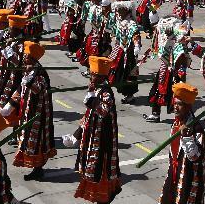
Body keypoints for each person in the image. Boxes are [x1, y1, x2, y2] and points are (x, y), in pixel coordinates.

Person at [64, 56, 122, 204]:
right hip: (93, 137)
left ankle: (104, 198)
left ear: (101, 76)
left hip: (102, 140)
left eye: (93, 75)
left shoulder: (106, 93)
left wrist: (90, 97)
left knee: (101, 169)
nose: (91, 77)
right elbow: (88, 116)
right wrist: (76, 135)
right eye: (91, 74)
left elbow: (102, 112)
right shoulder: (97, 90)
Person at [9, 41, 56, 181]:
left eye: (27, 57)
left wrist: (29, 80)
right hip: (28, 110)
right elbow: (21, 89)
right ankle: (37, 167)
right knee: (29, 139)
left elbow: (37, 89)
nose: (24, 58)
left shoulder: (40, 73)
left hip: (38, 113)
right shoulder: (29, 70)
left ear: (33, 59)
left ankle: (38, 168)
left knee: (38, 141)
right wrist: (10, 104)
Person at [159, 83, 205, 204]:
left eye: (179, 104)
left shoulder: (196, 129)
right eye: (174, 103)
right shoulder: (175, 124)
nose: (175, 107)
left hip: (188, 177)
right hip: (174, 172)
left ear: (188, 107)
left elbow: (195, 157)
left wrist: (187, 136)